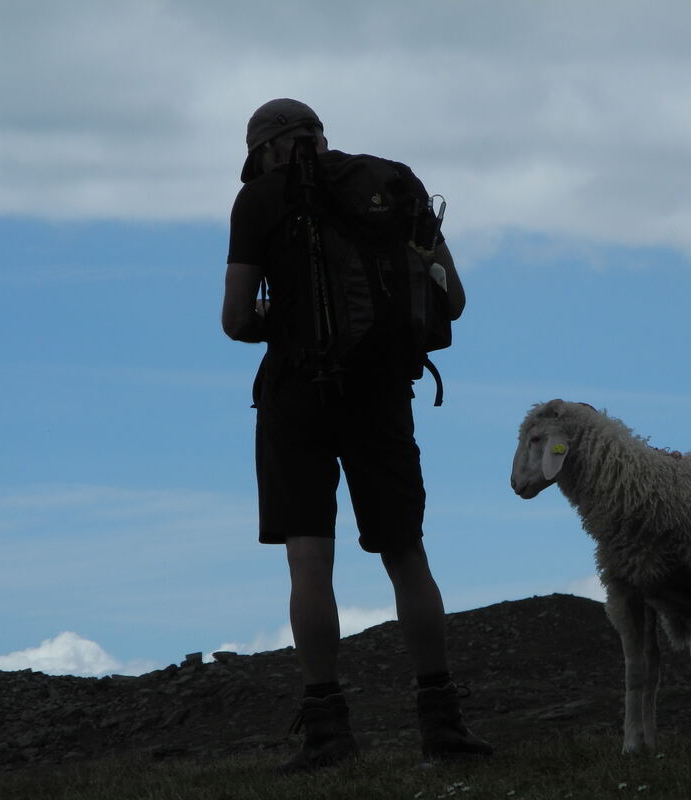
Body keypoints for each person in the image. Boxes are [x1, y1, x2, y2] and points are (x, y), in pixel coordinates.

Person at [221, 98, 492, 773]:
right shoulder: (393, 183)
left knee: (310, 560)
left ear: (267, 149)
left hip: (296, 398)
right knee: (405, 554)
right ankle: (442, 725)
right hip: (381, 395)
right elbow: (451, 301)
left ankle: (327, 733)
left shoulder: (257, 201)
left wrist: (279, 323)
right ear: (317, 136)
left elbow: (233, 321)